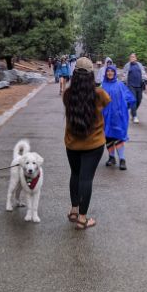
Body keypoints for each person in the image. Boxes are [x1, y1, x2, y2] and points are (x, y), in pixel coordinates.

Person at [63, 56, 110, 230]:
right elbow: (107, 103)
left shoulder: (68, 94)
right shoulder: (100, 95)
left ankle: (74, 210)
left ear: (74, 75)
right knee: (86, 179)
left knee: (75, 175)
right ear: (91, 75)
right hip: (94, 144)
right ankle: (82, 219)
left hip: (72, 144)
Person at [101, 65, 136, 170]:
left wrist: (124, 110)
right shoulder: (103, 85)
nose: (110, 73)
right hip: (106, 117)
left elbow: (130, 98)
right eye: (108, 71)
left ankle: (122, 159)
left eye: (112, 71)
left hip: (117, 117)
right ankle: (111, 158)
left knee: (118, 136)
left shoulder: (120, 85)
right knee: (108, 137)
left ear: (115, 73)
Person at [122, 53, 147, 124]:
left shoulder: (139, 65)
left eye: (133, 57)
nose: (132, 58)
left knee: (139, 100)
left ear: (136, 58)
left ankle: (132, 111)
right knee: (133, 100)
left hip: (139, 86)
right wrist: (123, 85)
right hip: (130, 86)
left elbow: (144, 74)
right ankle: (135, 116)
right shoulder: (127, 65)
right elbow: (124, 75)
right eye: (131, 57)